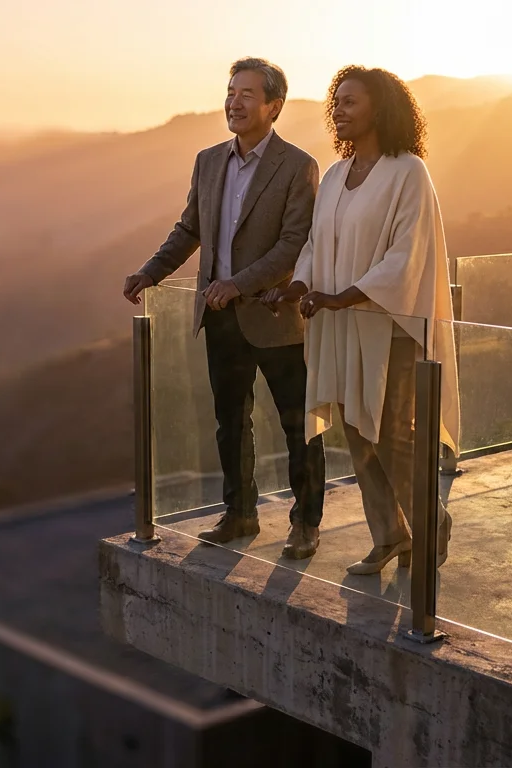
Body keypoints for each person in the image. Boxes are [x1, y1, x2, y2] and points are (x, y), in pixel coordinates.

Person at [124, 58, 326, 559]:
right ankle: (239, 514)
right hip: (219, 317)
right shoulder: (208, 160)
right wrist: (151, 271)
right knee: (229, 421)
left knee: (297, 423)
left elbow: (294, 243)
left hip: (275, 315)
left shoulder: (298, 165)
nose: (233, 102)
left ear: (273, 106)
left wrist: (238, 283)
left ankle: (305, 522)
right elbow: (189, 228)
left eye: (247, 94)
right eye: (231, 91)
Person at [263, 66, 459, 575]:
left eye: (351, 102)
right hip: (339, 323)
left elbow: (405, 256)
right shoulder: (334, 176)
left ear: (381, 108)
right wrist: (300, 287)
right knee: (355, 428)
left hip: (389, 324)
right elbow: (313, 245)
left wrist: (343, 297)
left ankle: (429, 520)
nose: (339, 111)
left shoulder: (408, 171)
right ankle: (390, 534)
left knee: (392, 432)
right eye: (337, 102)